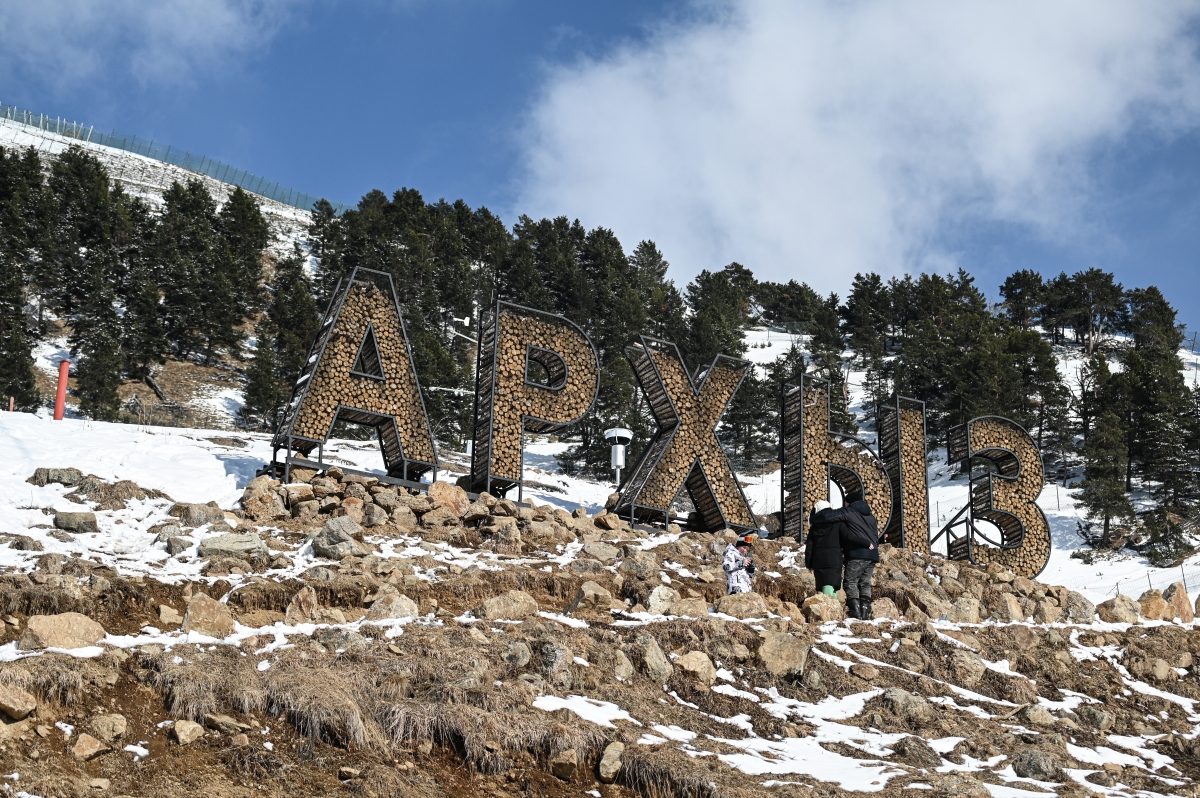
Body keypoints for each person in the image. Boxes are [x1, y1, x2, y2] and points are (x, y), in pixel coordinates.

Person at [824, 492, 879, 620]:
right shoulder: (870, 516)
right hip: (873, 554)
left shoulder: (849, 512)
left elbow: (830, 517)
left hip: (858, 553)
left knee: (850, 581)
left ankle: (855, 613)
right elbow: (876, 537)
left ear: (848, 502)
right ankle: (864, 613)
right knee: (865, 583)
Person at [805, 500, 843, 597]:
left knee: (826, 584)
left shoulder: (814, 526)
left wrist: (809, 563)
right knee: (832, 585)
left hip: (819, 559)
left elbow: (809, 546)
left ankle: (830, 605)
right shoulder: (838, 523)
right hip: (835, 558)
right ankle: (834, 604)